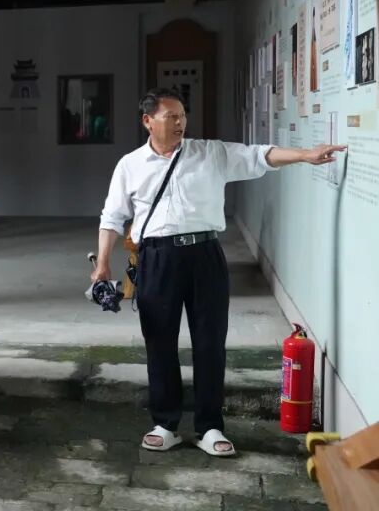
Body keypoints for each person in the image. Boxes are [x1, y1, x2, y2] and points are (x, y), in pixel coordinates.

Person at [93, 88, 345, 457]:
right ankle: (165, 424)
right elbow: (112, 217)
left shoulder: (210, 153)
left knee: (210, 343)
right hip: (157, 259)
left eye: (183, 115)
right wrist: (103, 262)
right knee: (159, 343)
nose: (180, 122)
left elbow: (260, 155)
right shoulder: (129, 165)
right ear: (148, 121)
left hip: (205, 256)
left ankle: (210, 426)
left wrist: (305, 155)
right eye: (171, 116)